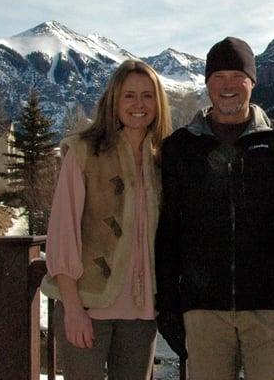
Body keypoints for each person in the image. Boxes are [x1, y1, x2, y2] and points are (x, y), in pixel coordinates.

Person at [154, 36, 274, 380]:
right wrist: (168, 304)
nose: (228, 85)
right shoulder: (180, 148)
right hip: (204, 312)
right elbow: (168, 229)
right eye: (218, 77)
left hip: (271, 309)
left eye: (238, 76)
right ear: (207, 83)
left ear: (253, 82)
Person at [40, 59, 172, 380]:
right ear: (114, 99)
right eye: (129, 95)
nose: (138, 105)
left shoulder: (164, 159)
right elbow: (62, 232)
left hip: (141, 313)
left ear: (158, 103)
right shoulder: (84, 152)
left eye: (147, 95)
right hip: (87, 305)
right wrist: (72, 307)